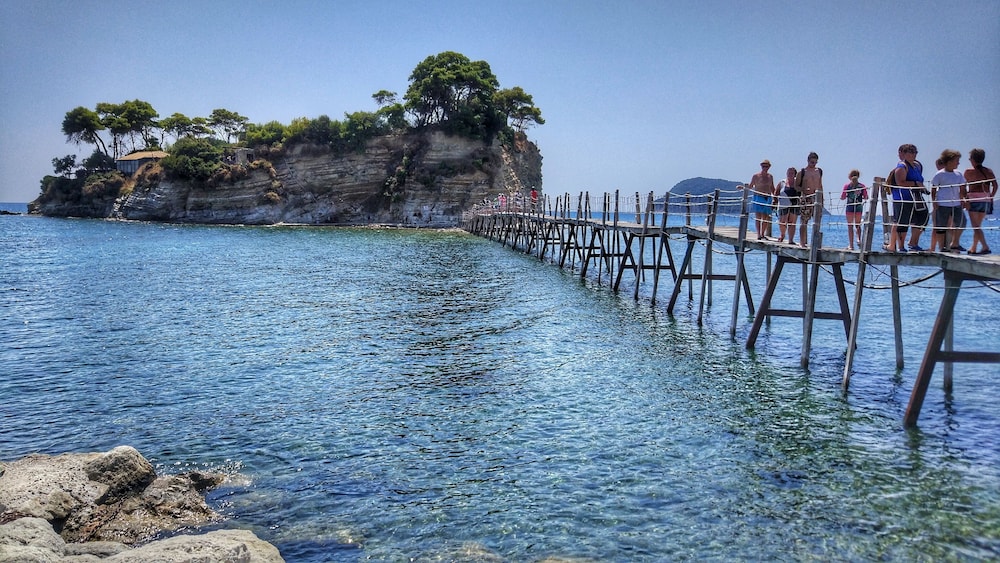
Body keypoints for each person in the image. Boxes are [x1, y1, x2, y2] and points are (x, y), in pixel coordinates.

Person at [887, 144, 927, 252]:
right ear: (904, 154)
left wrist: (921, 186)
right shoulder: (902, 166)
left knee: (923, 217)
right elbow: (900, 182)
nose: (913, 154)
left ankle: (913, 242)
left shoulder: (917, 166)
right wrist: (915, 183)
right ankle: (899, 246)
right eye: (911, 152)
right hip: (903, 198)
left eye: (915, 152)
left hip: (916, 197)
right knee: (901, 221)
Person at [930, 150, 965, 253]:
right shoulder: (939, 174)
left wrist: (963, 199)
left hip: (956, 203)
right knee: (941, 226)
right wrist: (934, 201)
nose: (958, 163)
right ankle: (942, 247)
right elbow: (933, 189)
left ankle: (955, 243)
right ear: (949, 161)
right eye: (956, 160)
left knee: (961, 223)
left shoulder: (958, 174)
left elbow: (962, 187)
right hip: (943, 203)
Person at [964, 148, 997, 255]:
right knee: (977, 226)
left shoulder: (968, 172)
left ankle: (985, 246)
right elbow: (995, 186)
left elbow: (963, 187)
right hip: (985, 200)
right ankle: (973, 248)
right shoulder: (989, 171)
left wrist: (965, 199)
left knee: (976, 227)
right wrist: (990, 196)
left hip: (973, 200)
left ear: (973, 159)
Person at [795, 152, 823, 247]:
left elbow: (820, 185)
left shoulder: (819, 171)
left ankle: (815, 243)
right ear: (808, 160)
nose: (813, 164)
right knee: (804, 221)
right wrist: (803, 189)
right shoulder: (802, 172)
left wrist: (822, 198)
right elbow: (796, 186)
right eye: (812, 162)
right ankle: (802, 242)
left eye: (815, 162)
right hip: (806, 198)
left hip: (816, 198)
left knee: (817, 221)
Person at [748, 160, 776, 240]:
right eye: (763, 166)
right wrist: (743, 187)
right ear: (761, 166)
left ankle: (762, 234)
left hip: (767, 197)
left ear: (769, 167)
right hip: (758, 197)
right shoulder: (756, 176)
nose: (765, 168)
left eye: (766, 166)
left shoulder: (770, 176)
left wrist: (776, 197)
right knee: (758, 217)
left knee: (766, 217)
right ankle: (758, 234)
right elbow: (750, 186)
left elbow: (772, 188)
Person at [840, 169, 867, 250]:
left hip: (850, 208)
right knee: (858, 225)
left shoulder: (847, 186)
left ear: (849, 176)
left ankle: (851, 245)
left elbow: (842, 197)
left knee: (850, 226)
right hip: (858, 207)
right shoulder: (862, 186)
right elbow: (866, 197)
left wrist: (846, 196)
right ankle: (858, 239)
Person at [776, 167, 799, 244]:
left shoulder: (798, 183)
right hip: (783, 203)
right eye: (789, 172)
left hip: (794, 203)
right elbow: (776, 192)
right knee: (782, 221)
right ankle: (782, 235)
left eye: (792, 173)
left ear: (795, 174)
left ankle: (791, 240)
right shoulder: (782, 182)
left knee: (792, 222)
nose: (790, 174)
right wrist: (775, 202)